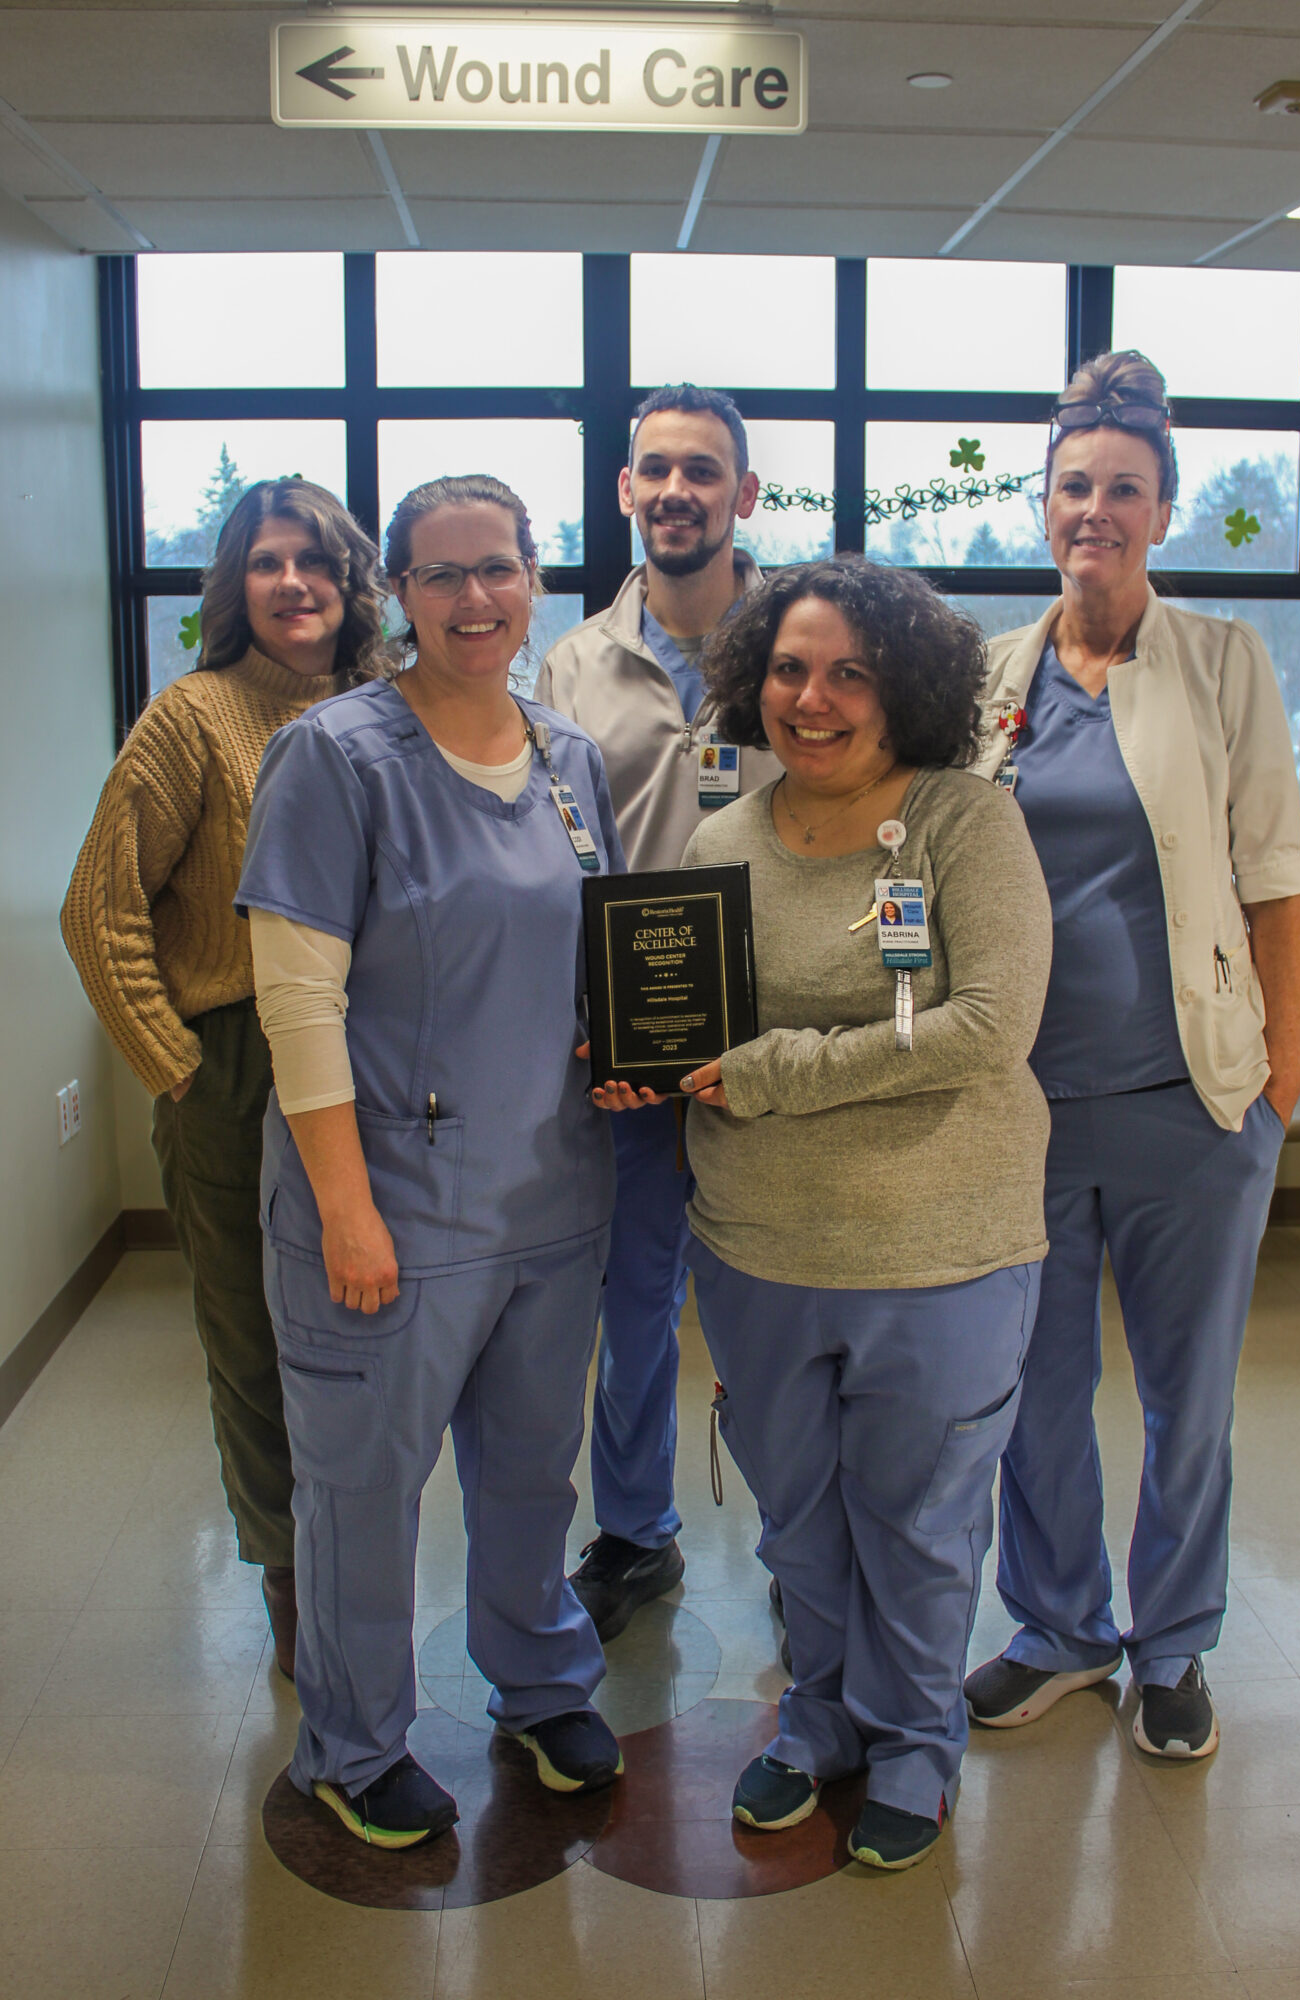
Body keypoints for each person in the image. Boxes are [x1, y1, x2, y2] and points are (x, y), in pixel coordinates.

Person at [597, 555, 1053, 1870]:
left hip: (939, 1249)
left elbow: (990, 1026)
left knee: (917, 1524)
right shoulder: (723, 841)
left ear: (905, 687)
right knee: (798, 1516)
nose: (814, 698)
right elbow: (701, 1028)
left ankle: (913, 1743)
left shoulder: (968, 823)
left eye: (852, 672)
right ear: (754, 681)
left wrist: (773, 1071)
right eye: (791, 669)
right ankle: (821, 1720)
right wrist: (641, 1060)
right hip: (758, 1248)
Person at [236, 473, 624, 1851]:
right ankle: (354, 1744)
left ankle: (542, 1680)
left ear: (533, 580)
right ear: (397, 590)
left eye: (498, 568)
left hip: (550, 1192)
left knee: (530, 1470)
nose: (475, 598)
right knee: (363, 1489)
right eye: (442, 573)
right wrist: (346, 1209)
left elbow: (590, 954)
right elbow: (298, 1003)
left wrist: (624, 1040)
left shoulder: (570, 759)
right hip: (387, 1206)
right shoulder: (336, 759)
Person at [964, 350, 1300, 1761]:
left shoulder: (1222, 662)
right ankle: (1058, 1626)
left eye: (1123, 488)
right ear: (1042, 506)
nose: (1094, 510)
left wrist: (1276, 1089)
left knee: (1189, 1396)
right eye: (1073, 487)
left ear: (1162, 512)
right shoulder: (992, 675)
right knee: (1030, 1394)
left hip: (1191, 1106)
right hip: (1022, 1110)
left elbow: (1276, 885)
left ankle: (1173, 1641)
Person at [62, 477, 388, 1680]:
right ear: (233, 587)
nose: (292, 581)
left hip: (378, 1064)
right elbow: (99, 909)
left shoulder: (392, 709)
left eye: (314, 558)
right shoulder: (192, 717)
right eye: (265, 560)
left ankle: (366, 1558)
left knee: (375, 1330)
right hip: (238, 1070)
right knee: (254, 1347)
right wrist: (181, 1068)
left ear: (352, 580)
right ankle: (292, 1583)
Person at [535, 385, 780, 1640]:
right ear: (627, 489)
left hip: (777, 1052)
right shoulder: (573, 664)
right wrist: (588, 1021)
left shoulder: (800, 642)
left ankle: (802, 1539)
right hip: (630, 1059)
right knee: (632, 1312)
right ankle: (636, 1533)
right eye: (657, 468)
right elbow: (549, 854)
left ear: (744, 493)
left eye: (704, 469)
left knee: (779, 1311)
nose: (678, 489)